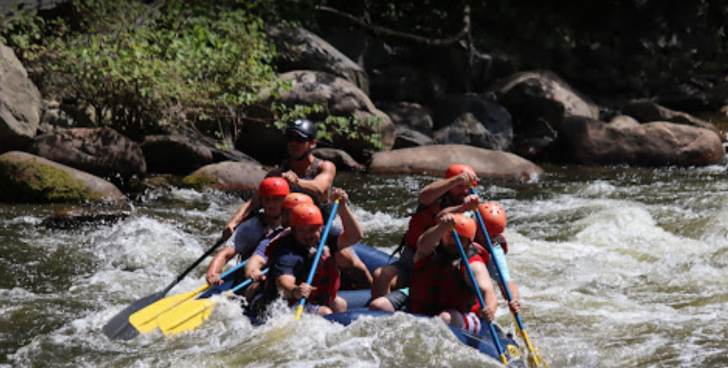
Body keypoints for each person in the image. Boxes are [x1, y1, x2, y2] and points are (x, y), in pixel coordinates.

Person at [223, 119, 372, 288]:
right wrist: (233, 223)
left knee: (356, 266)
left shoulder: (324, 167)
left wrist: (297, 182)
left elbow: (320, 188)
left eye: (300, 139)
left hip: (317, 231)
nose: (294, 143)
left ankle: (376, 298)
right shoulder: (277, 173)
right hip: (288, 231)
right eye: (291, 139)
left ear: (312, 143)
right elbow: (253, 203)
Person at [370, 164, 480, 307]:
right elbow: (424, 196)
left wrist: (464, 207)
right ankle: (380, 314)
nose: (465, 191)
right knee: (381, 275)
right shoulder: (434, 198)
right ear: (449, 185)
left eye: (468, 187)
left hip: (437, 268)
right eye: (459, 186)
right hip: (411, 260)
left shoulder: (472, 211)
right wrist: (456, 179)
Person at [251, 189, 364, 317]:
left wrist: (342, 208)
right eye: (302, 230)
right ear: (293, 231)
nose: (308, 235)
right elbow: (283, 282)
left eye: (312, 230)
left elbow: (355, 235)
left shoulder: (324, 233)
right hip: (281, 303)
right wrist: (295, 290)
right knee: (325, 312)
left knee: (339, 304)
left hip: (314, 297)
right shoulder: (287, 252)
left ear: (319, 228)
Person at [408, 213, 498, 333]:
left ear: (469, 243)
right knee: (380, 305)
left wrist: (490, 309)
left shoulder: (472, 264)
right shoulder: (428, 250)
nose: (453, 242)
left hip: (461, 315)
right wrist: (442, 227)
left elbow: (488, 291)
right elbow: (422, 243)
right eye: (450, 236)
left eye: (461, 239)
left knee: (444, 318)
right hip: (423, 308)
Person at [205, 177, 289, 288]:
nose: (271, 204)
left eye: (276, 199)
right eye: (267, 199)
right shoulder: (251, 226)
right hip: (252, 276)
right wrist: (212, 273)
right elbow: (225, 254)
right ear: (261, 201)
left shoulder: (295, 225)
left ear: (285, 200)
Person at [475, 202, 521, 315]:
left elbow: (505, 281)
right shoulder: (462, 228)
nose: (489, 239)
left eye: (494, 235)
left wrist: (513, 299)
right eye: (486, 234)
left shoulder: (494, 248)